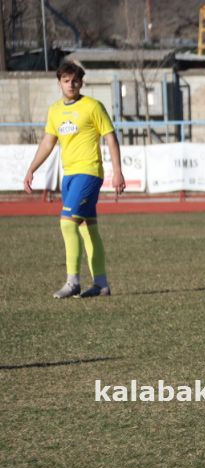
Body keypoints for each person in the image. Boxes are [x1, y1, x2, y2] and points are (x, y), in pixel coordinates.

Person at [23, 61, 125, 297]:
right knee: (88, 229)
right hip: (69, 175)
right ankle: (101, 284)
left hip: (89, 172)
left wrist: (117, 171)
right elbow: (48, 142)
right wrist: (31, 169)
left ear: (82, 82)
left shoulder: (93, 106)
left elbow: (110, 138)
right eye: (66, 80)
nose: (71, 84)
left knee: (67, 223)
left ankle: (73, 282)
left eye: (75, 80)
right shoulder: (54, 110)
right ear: (59, 83)